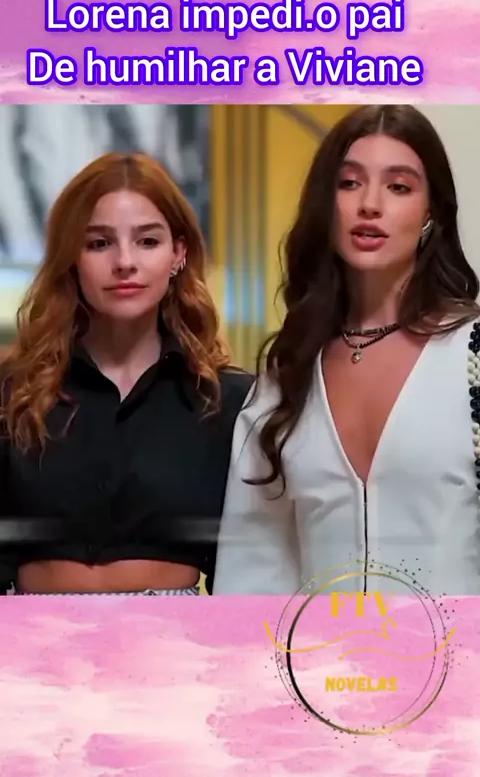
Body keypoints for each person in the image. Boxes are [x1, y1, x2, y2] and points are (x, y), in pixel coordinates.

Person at [213, 104, 480, 597]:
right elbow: (252, 568)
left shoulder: (472, 356)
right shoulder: (287, 373)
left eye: (398, 187)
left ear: (431, 214)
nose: (370, 204)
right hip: (318, 647)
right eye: (350, 183)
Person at [0, 152, 253, 595]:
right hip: (28, 625)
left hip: (177, 630)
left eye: (147, 241)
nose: (124, 262)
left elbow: (250, 564)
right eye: (99, 243)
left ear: (178, 254)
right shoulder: (12, 392)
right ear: (71, 257)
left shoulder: (229, 401)